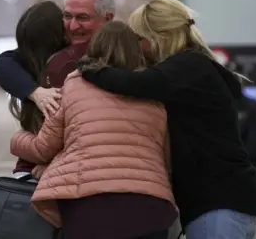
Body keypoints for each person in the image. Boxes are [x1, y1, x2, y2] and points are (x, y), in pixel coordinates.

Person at [78, 0, 256, 239]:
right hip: (227, 201)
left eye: (139, 39)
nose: (138, 47)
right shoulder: (198, 67)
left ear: (159, 36)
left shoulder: (188, 66)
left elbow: (135, 83)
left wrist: (91, 68)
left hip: (216, 202)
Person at [10, 21, 177, 239]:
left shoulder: (74, 86)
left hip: (88, 205)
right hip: (147, 207)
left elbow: (44, 148)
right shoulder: (153, 96)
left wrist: (17, 140)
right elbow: (165, 161)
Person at [0, 0, 114, 118]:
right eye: (67, 16)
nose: (72, 26)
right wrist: (35, 92)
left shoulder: (122, 52)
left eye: (82, 18)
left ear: (107, 18)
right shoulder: (59, 50)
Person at [8, 0, 71, 176]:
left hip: (31, 174)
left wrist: (16, 140)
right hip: (46, 178)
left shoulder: (37, 76)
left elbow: (43, 146)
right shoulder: (65, 76)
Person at [226, 62, 256, 188]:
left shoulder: (254, 108)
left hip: (247, 173)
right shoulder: (216, 107)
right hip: (220, 175)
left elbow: (254, 145)